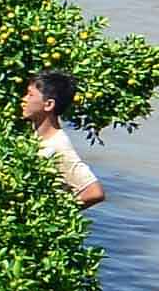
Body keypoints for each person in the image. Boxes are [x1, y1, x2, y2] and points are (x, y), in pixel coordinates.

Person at [20, 66, 103, 206]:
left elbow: (94, 192)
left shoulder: (58, 146)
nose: (24, 99)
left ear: (49, 105)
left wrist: (56, 213)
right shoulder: (34, 133)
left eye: (30, 95)